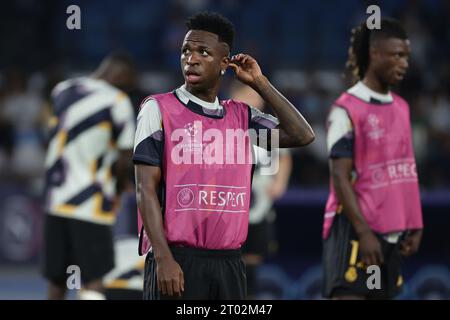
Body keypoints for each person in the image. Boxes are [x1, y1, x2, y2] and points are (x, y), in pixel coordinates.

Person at [133, 11, 314, 300]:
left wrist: (260, 83)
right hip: (177, 259)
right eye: (186, 51)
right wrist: (164, 258)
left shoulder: (244, 119)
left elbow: (303, 135)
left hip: (229, 262)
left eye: (203, 52)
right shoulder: (158, 109)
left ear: (223, 63)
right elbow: (145, 189)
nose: (190, 59)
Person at [322, 18, 424, 300]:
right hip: (355, 231)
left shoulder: (402, 108)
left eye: (406, 56)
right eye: (397, 55)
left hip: (391, 234)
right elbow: (339, 177)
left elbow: (406, 168)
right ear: (375, 54)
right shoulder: (345, 109)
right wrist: (363, 232)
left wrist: (415, 222)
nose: (404, 63)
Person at [42, 52, 137, 300]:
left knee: (57, 282)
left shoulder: (62, 89)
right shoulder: (116, 100)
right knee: (94, 280)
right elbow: (126, 157)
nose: (126, 88)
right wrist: (120, 186)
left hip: (55, 201)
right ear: (120, 75)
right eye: (127, 83)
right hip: (90, 203)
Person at [230, 82, 292, 298]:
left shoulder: (268, 125)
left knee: (253, 256)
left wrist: (280, 183)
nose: (254, 100)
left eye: (256, 96)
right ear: (234, 95)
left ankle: (248, 298)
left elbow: (284, 158)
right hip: (229, 199)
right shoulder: (224, 124)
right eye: (247, 94)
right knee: (229, 255)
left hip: (260, 199)